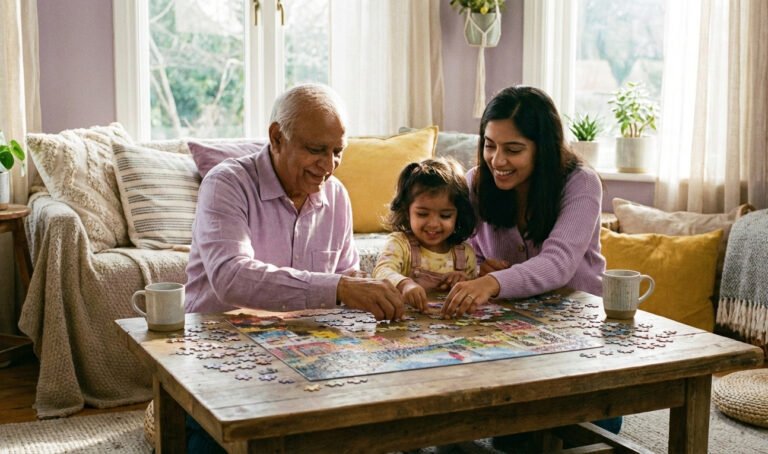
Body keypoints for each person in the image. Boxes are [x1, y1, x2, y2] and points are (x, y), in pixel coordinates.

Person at [183, 83, 405, 453]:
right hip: (221, 358)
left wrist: (373, 289)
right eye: (316, 150)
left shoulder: (336, 196)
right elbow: (231, 277)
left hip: (305, 359)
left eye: (338, 152)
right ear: (276, 137)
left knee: (381, 434)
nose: (329, 166)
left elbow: (345, 276)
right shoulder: (226, 183)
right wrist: (340, 288)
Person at [439, 86, 622, 444]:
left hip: (576, 332)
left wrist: (494, 282)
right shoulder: (477, 182)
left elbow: (558, 264)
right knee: (474, 422)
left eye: (514, 149)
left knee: (593, 428)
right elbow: (458, 247)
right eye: (490, 145)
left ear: (544, 148)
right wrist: (476, 268)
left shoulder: (581, 183)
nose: (498, 160)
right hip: (508, 331)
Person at [372, 158, 478, 312]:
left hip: (451, 327)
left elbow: (473, 294)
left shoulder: (465, 253)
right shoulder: (400, 244)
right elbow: (381, 272)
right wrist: (405, 284)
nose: (433, 224)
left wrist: (464, 281)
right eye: (422, 214)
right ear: (406, 211)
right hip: (403, 323)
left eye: (445, 215)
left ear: (458, 215)